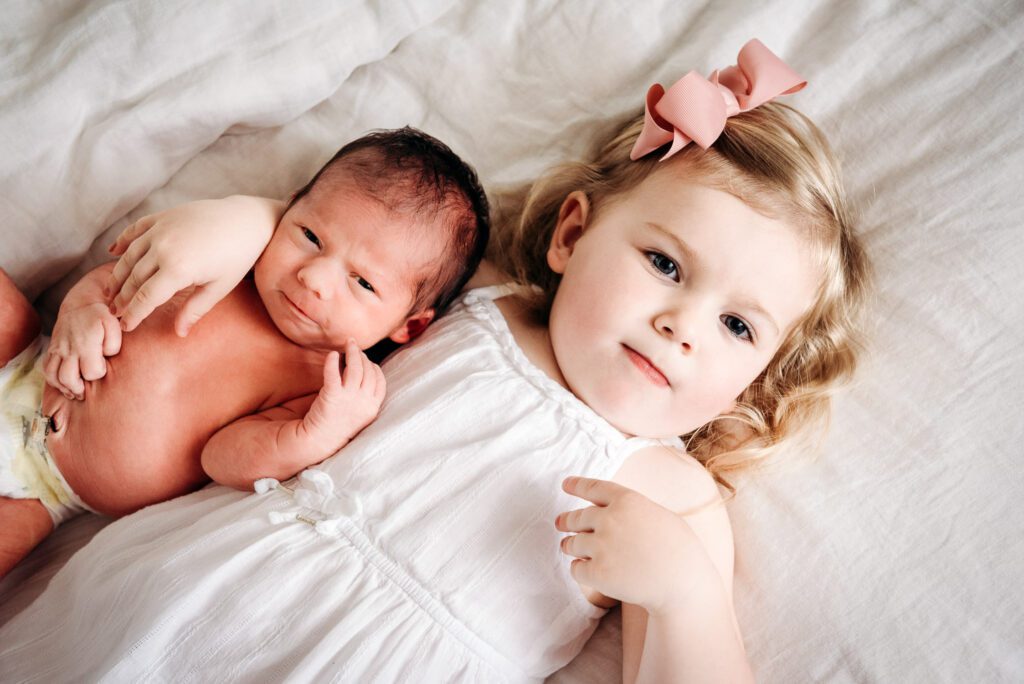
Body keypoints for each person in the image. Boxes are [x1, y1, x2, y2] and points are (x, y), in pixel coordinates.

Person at [0, 40, 870, 682]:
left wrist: (685, 595)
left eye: (739, 328)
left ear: (759, 376)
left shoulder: (675, 496)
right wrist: (239, 219)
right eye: (667, 266)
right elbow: (347, 255)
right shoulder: (476, 303)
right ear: (572, 233)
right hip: (188, 593)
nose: (683, 326)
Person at [0, 127, 490, 577]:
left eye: (362, 282)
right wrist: (80, 314)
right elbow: (116, 279)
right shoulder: (234, 264)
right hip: (27, 359)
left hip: (47, 492)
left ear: (410, 326)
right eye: (311, 237)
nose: (314, 279)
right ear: (291, 205)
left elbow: (222, 459)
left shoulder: (318, 384)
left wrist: (313, 434)